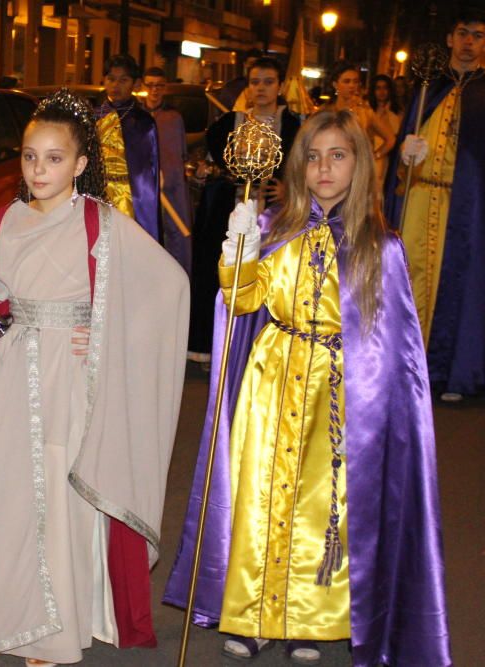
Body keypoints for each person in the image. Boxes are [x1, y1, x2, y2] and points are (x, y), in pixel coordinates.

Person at [164, 111, 450, 667]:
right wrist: (238, 253)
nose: (324, 167)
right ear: (297, 166)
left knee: (325, 507)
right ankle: (251, 617)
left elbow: (395, 348)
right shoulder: (274, 229)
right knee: (259, 496)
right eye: (314, 156)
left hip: (339, 392)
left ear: (359, 164)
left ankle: (309, 620)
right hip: (272, 385)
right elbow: (243, 301)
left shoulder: (380, 246)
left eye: (337, 155)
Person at [0, 89, 189, 666]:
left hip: (73, 381)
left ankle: (58, 629)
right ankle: (17, 613)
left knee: (60, 497)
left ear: (80, 165)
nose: (39, 170)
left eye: (54, 158)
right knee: (15, 494)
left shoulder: (102, 224)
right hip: (16, 375)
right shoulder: (2, 223)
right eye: (29, 157)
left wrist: (104, 331)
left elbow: (167, 288)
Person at [385, 11, 485, 401]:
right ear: (450, 38)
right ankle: (403, 367)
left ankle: (450, 372)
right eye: (462, 33)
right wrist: (406, 158)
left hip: (466, 207)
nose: (468, 41)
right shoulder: (428, 87)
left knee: (460, 282)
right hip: (418, 197)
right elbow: (402, 152)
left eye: (477, 36)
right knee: (405, 277)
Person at [187, 57, 301, 363]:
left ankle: (260, 349)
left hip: (274, 219)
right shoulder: (229, 124)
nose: (261, 88)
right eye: (255, 82)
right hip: (230, 216)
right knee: (225, 277)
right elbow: (209, 162)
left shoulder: (294, 126)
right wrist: (205, 171)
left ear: (279, 86)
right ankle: (218, 346)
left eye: (268, 82)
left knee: (266, 281)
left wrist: (290, 191)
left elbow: (307, 169)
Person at [95, 54, 163, 244]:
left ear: (135, 84)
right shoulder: (94, 118)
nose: (116, 85)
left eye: (123, 80)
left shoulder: (143, 123)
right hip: (98, 200)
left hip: (133, 201)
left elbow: (147, 174)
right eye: (111, 79)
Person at [142, 66, 192, 273]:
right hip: (144, 191)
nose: (155, 90)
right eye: (151, 85)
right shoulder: (136, 117)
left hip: (172, 190)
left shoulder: (173, 118)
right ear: (143, 87)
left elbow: (180, 156)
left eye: (159, 86)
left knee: (175, 242)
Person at [321, 61, 396, 167]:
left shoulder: (364, 111)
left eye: (355, 82)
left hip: (357, 168)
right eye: (347, 81)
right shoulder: (325, 111)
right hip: (330, 166)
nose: (352, 86)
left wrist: (373, 156)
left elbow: (390, 139)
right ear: (335, 84)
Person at [367, 74, 403, 183]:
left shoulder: (397, 113)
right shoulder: (367, 111)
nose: (382, 92)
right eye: (378, 88)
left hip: (390, 158)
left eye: (385, 88)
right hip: (370, 155)